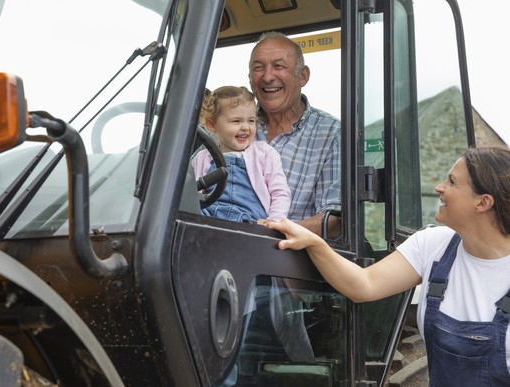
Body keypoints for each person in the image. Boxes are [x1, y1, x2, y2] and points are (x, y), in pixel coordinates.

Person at [267, 146, 510, 386]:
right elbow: (365, 285)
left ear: (483, 202)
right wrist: (315, 244)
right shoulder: (433, 245)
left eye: (452, 182)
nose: (440, 187)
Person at [249, 31, 341, 237]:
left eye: (278, 66)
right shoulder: (231, 127)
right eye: (258, 68)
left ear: (303, 76)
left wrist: (270, 233)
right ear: (249, 78)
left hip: (292, 262)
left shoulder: (330, 134)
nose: (267, 76)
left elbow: (334, 221)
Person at [192, 86, 291, 222]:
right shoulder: (203, 157)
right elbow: (193, 193)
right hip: (209, 215)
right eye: (236, 121)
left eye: (251, 121)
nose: (245, 127)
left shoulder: (264, 153)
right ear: (211, 125)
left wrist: (273, 221)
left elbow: (280, 192)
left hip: (250, 219)